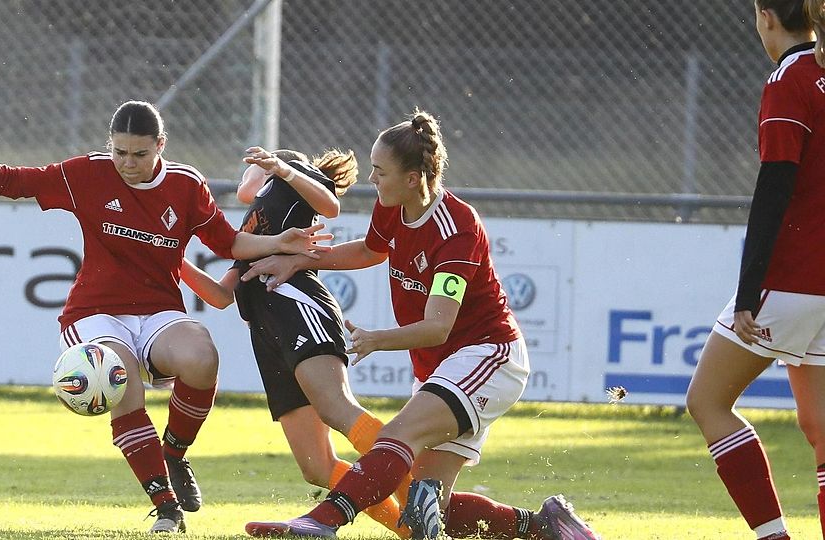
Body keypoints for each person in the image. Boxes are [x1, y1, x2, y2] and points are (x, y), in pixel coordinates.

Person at [0, 100, 331, 534]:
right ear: (110, 145)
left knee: (202, 357)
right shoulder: (88, 173)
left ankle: (173, 453)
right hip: (95, 312)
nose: (127, 163)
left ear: (160, 146)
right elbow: (18, 181)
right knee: (120, 379)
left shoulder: (186, 184)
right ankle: (166, 507)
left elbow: (227, 243)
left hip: (158, 309)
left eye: (139, 154)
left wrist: (278, 242)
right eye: (119, 152)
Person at [239, 111, 599, 540]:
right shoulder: (393, 205)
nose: (372, 178)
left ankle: (322, 521)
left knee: (397, 435)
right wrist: (301, 260)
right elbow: (371, 251)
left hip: (488, 356)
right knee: (427, 508)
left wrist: (376, 339)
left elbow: (437, 327)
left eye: (380, 171)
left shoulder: (457, 228)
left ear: (412, 179)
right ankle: (544, 526)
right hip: (442, 366)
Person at [180, 146, 412, 538]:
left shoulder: (289, 177)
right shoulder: (252, 227)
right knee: (316, 467)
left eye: (249, 170)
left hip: (298, 306)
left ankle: (421, 496)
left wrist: (284, 169)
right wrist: (173, 261)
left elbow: (330, 205)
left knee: (337, 408)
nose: (243, 178)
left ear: (267, 167)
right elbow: (220, 296)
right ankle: (411, 531)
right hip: (267, 331)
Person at [685, 2, 825, 539]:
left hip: (791, 279)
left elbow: (774, 191)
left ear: (766, 16)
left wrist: (748, 293)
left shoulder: (791, 79)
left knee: (708, 401)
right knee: (821, 429)